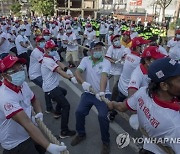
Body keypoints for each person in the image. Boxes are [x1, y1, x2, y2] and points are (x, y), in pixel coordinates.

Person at [107, 57, 180, 154]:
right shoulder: (175, 124)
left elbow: (121, 107)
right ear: (164, 86)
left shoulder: (143, 92)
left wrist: (112, 103)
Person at [0, 55, 67, 154]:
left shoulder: (23, 85)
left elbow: (34, 99)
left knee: (41, 148)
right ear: (5, 76)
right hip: (16, 142)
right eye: (13, 71)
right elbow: (26, 124)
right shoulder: (5, 97)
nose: (19, 72)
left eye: (20, 68)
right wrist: (48, 146)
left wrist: (39, 112)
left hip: (28, 132)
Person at [71, 41, 111, 154]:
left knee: (103, 116)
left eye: (100, 49)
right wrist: (83, 83)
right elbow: (77, 72)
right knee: (79, 112)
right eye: (96, 49)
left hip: (103, 94)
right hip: (89, 92)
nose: (98, 51)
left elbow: (104, 77)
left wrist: (102, 92)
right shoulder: (85, 60)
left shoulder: (106, 62)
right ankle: (81, 134)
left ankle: (106, 142)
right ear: (90, 50)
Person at [41, 40, 77, 138]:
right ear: (46, 50)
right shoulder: (47, 60)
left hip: (53, 86)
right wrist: (70, 78)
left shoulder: (51, 56)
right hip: (51, 88)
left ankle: (57, 112)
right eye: (51, 49)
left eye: (54, 48)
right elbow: (58, 70)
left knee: (64, 92)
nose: (54, 50)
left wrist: (67, 69)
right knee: (66, 106)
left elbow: (59, 63)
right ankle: (64, 131)